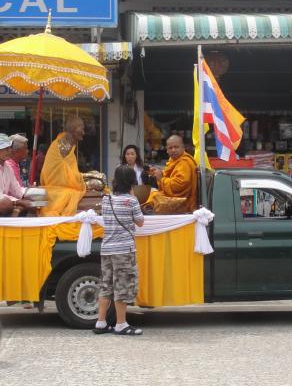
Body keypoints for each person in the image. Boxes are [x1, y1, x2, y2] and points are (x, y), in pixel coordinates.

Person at [94, 165, 144, 336]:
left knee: (106, 285)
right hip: (124, 250)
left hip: (106, 249)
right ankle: (121, 324)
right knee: (122, 286)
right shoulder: (131, 201)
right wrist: (133, 196)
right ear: (132, 182)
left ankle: (100, 322)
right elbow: (140, 222)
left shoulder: (106, 199)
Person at [40, 116, 87, 217]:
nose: (84, 133)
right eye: (81, 129)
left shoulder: (66, 144)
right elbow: (67, 176)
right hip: (56, 189)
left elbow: (68, 172)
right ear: (73, 129)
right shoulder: (63, 145)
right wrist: (80, 179)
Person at [146, 135, 198, 213]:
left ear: (183, 148)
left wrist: (161, 179)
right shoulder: (174, 160)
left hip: (183, 202)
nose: (173, 150)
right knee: (152, 193)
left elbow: (178, 186)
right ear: (167, 150)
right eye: (170, 148)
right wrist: (157, 173)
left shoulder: (185, 162)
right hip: (175, 197)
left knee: (154, 196)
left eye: (176, 147)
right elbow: (169, 175)